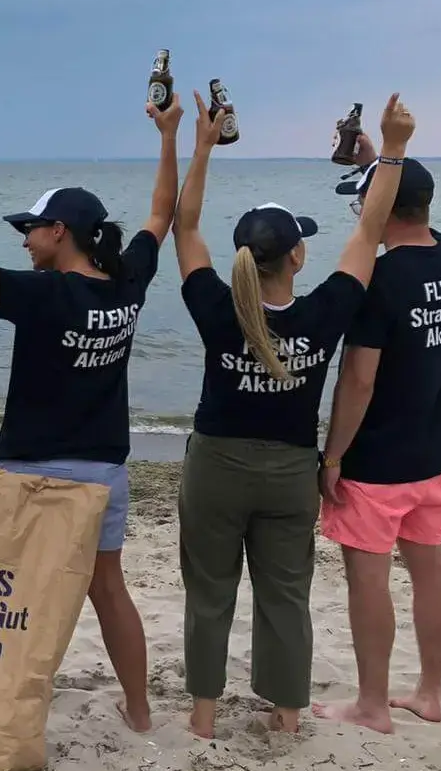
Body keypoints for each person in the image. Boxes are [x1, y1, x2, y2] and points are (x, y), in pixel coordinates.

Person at [0, 97, 182, 733]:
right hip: (103, 473)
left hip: (32, 471)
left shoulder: (45, 294)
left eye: (31, 228)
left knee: (15, 590)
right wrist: (172, 137)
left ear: (60, 232)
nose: (24, 238)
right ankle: (141, 709)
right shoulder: (127, 283)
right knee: (107, 589)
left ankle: (6, 707)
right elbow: (161, 213)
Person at [172, 93, 416, 737]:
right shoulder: (325, 310)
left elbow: (185, 228)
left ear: (242, 260)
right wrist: (391, 150)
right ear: (298, 258)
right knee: (285, 596)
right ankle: (285, 715)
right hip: (288, 474)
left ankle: (202, 718)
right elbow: (368, 231)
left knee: (209, 593)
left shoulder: (215, 306)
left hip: (216, 467)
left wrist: (201, 147)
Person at [314, 107, 441, 735]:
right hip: (434, 451)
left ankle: (373, 703)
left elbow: (359, 379)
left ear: (381, 210)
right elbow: (402, 196)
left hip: (377, 458)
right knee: (431, 566)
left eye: (365, 204)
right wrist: (377, 155)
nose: (360, 215)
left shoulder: (377, 278)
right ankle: (430, 693)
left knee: (369, 580)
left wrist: (331, 457)